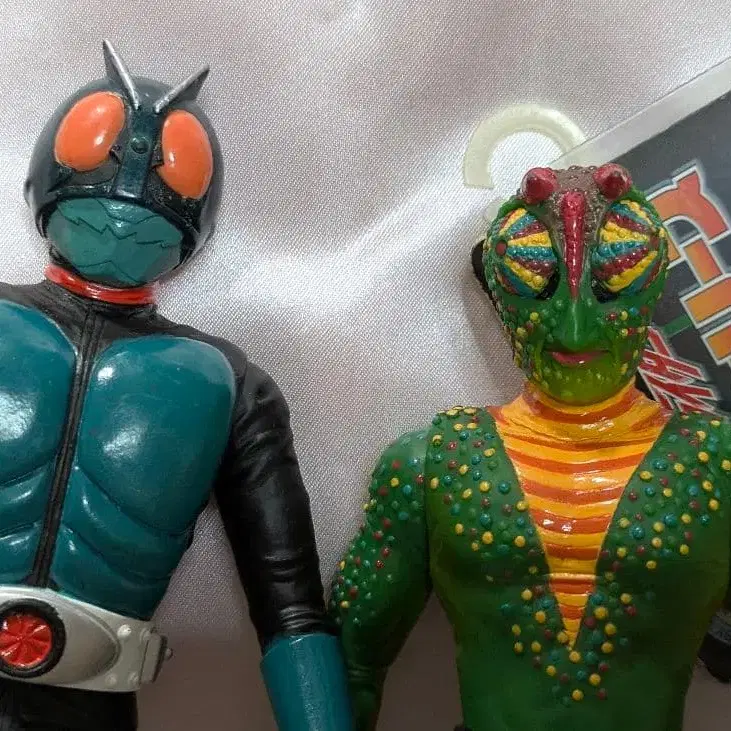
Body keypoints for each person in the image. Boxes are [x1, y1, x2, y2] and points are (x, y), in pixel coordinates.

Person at [0, 41, 351, 730]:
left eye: (174, 164)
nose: (129, 180)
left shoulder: (231, 386)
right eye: (98, 143)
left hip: (89, 704)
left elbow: (291, 609)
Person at [331, 164, 731, 731]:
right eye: (534, 273)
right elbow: (347, 664)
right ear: (501, 287)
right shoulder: (432, 464)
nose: (574, 326)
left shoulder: (717, 464)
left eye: (615, 276)